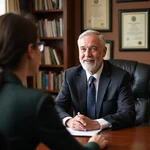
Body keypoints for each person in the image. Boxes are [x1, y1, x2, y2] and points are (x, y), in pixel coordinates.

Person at [0, 13, 108, 150]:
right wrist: (94, 144)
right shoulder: (35, 102)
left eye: (93, 49)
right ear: (30, 51)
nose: (87, 54)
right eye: (39, 46)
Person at [55, 30, 135, 131]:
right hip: (79, 135)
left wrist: (96, 124)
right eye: (83, 49)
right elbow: (57, 106)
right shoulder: (71, 75)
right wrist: (69, 121)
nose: (87, 54)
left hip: (110, 135)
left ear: (104, 52)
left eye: (93, 49)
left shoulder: (120, 77)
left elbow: (128, 114)